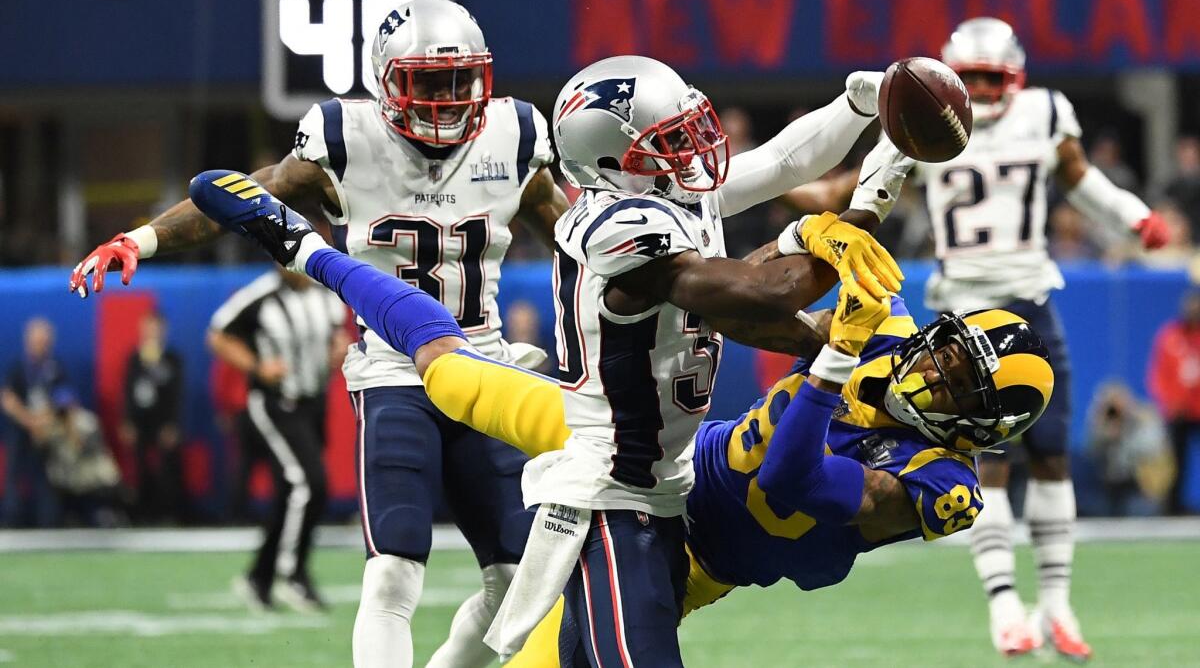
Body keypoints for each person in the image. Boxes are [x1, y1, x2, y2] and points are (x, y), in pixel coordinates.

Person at [185, 56, 907, 667]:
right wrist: (864, 206)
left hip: (610, 435)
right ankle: (301, 244)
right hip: (604, 470)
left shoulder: (673, 194)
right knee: (436, 350)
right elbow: (766, 287)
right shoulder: (615, 222)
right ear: (615, 159)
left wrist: (863, 108)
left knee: (443, 352)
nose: (696, 147)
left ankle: (306, 248)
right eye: (672, 137)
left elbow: (784, 161)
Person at [185, 177, 1053, 665]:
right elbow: (768, 278)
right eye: (943, 352)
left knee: (525, 655)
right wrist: (820, 227)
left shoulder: (944, 486)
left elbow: (793, 478)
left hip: (679, 544)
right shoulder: (892, 333)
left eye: (955, 384)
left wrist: (827, 360)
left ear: (982, 428)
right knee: (446, 372)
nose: (931, 370)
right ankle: (302, 244)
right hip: (633, 437)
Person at [68, 0, 570, 667]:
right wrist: (143, 236)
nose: (448, 101)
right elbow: (249, 197)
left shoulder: (513, 135)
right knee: (393, 569)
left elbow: (576, 241)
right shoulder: (346, 137)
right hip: (396, 371)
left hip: (484, 365)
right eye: (427, 82)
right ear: (387, 81)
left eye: (459, 81)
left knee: (516, 584)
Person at [870, 17, 1171, 660]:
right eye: (968, 79)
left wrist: (1133, 216)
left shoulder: (1043, 113)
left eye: (990, 78)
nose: (977, 91)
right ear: (951, 78)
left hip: (1032, 299)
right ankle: (1005, 605)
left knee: (1054, 453)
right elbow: (871, 190)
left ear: (1016, 78)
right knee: (989, 464)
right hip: (963, 316)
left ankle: (1058, 604)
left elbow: (1079, 178)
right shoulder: (930, 115)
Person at [208, 265, 344, 612]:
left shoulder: (324, 293)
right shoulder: (261, 295)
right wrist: (256, 367)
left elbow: (336, 336)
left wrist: (337, 349)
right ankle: (292, 575)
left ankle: (259, 578)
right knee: (309, 485)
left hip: (314, 403)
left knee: (291, 493)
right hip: (275, 403)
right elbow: (218, 335)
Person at [1, 317, 68, 527]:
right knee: (13, 474)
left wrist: (44, 422)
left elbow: (64, 400)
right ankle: (11, 520)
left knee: (48, 476)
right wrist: (30, 421)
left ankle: (48, 521)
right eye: (37, 341)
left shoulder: (55, 367)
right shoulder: (18, 368)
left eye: (45, 341)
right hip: (21, 429)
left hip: (47, 432)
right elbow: (8, 399)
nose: (41, 345)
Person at [122, 310, 185, 524]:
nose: (152, 333)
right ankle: (143, 514)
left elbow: (177, 394)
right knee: (140, 467)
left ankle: (167, 513)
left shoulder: (172, 359)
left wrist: (172, 424)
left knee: (167, 467)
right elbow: (128, 391)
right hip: (140, 421)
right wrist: (128, 422)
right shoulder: (134, 358)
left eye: (155, 329)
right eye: (148, 329)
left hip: (163, 421)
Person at [1147, 288, 1200, 514]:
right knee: (1175, 462)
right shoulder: (1169, 335)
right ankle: (1172, 508)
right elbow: (1158, 375)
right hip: (1178, 411)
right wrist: (1168, 403)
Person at [41, 386, 126, 527]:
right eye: (61, 408)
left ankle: (109, 514)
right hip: (67, 478)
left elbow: (89, 451)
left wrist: (72, 429)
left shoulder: (88, 421)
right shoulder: (52, 424)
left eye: (67, 407)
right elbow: (43, 450)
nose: (65, 412)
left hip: (90, 475)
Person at [1085, 381, 1171, 516]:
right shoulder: (1102, 423)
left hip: (1138, 488)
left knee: (1137, 511)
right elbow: (1090, 450)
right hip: (1106, 488)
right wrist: (1103, 430)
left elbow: (1152, 449)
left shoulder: (1143, 420)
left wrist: (1125, 433)